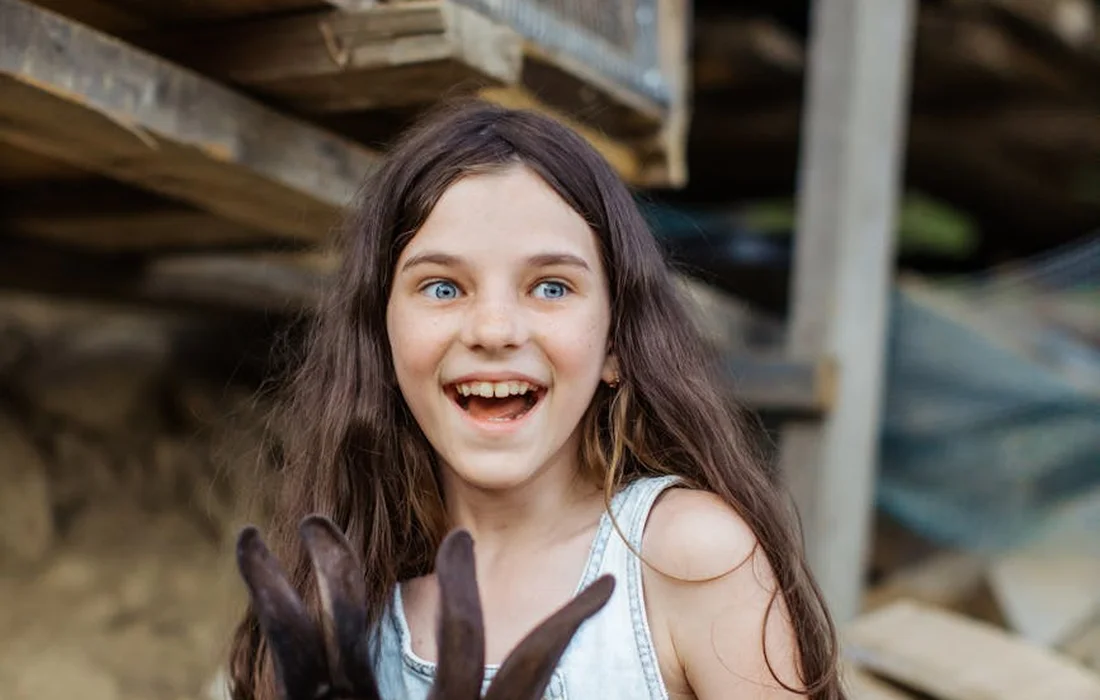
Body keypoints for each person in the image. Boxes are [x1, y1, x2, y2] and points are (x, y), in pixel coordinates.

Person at [227, 99, 844, 699]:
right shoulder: (349, 604)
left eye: (551, 286)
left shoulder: (686, 558)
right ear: (381, 338)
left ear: (615, 344)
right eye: (443, 287)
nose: (494, 331)